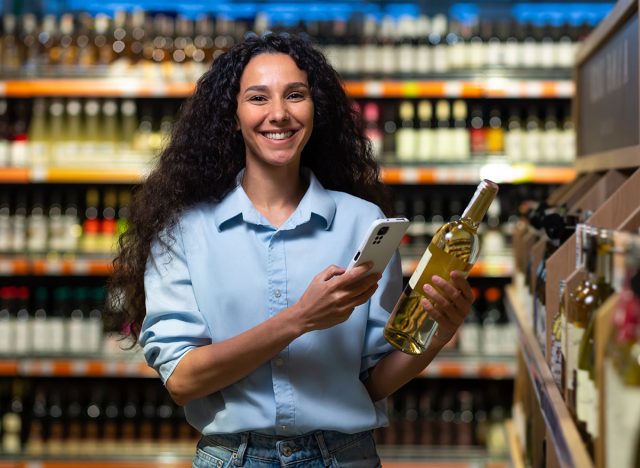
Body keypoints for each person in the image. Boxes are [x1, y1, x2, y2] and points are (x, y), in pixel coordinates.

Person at [109, 33, 474, 467]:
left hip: (343, 457)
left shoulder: (363, 222)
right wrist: (300, 318)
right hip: (233, 458)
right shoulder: (186, 230)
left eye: (295, 95)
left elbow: (371, 383)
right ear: (233, 115)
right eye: (258, 98)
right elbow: (183, 381)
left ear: (315, 109)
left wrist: (435, 335)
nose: (278, 114)